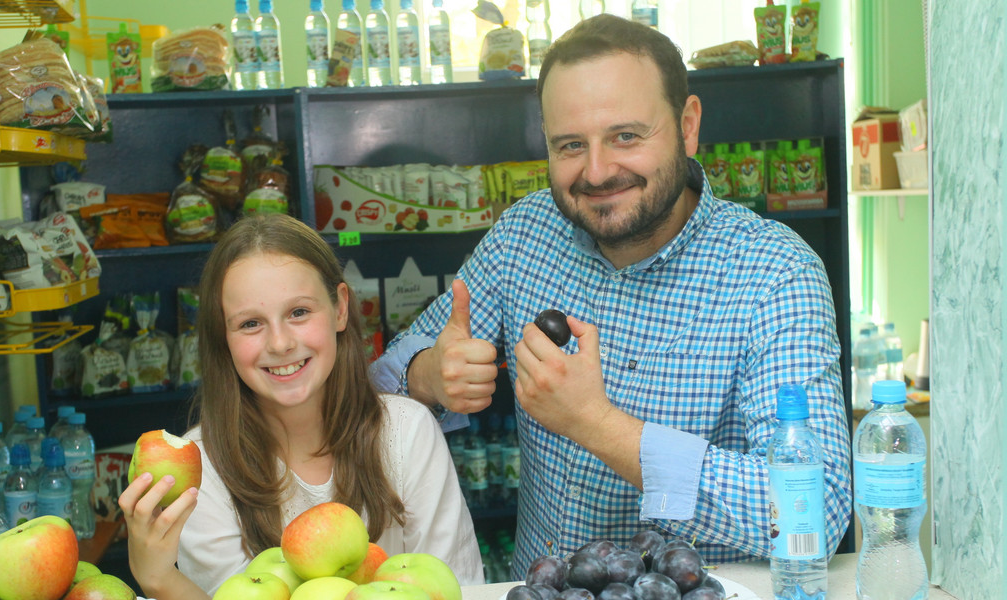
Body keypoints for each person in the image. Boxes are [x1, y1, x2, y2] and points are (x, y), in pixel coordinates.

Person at [370, 14, 852, 574]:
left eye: (626, 136)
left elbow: (814, 510)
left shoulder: (774, 272)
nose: (596, 172)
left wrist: (596, 425)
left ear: (688, 125)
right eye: (570, 145)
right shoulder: (524, 234)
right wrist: (430, 375)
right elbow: (378, 379)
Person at [119, 214, 483, 600]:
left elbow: (461, 590)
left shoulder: (407, 432)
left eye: (298, 313)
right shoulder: (203, 466)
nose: (279, 343)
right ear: (222, 337)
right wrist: (160, 580)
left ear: (340, 308)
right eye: (250, 324)